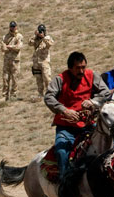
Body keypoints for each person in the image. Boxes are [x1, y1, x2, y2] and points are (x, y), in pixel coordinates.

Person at [44, 51, 110, 181]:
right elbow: (48, 97)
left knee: (108, 146)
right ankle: (64, 183)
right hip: (66, 127)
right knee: (62, 152)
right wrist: (64, 110)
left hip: (88, 124)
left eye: (83, 67)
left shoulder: (92, 75)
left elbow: (106, 93)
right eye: (77, 68)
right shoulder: (60, 79)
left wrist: (92, 102)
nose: (81, 71)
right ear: (70, 68)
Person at [28, 24, 54, 98]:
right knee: (38, 79)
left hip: (44, 62)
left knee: (47, 78)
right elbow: (29, 43)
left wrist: (43, 38)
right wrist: (35, 35)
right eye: (40, 31)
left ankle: (50, 94)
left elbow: (50, 44)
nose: (41, 32)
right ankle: (40, 94)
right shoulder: (35, 38)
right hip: (36, 62)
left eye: (42, 31)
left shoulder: (47, 38)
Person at [1, 21, 24, 101]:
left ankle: (14, 95)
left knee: (15, 78)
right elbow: (3, 48)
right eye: (11, 26)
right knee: (5, 78)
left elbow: (18, 47)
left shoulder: (19, 36)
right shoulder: (5, 37)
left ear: (16, 27)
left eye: (14, 26)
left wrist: (9, 47)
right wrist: (12, 47)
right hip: (7, 61)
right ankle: (4, 96)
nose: (13, 28)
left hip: (15, 61)